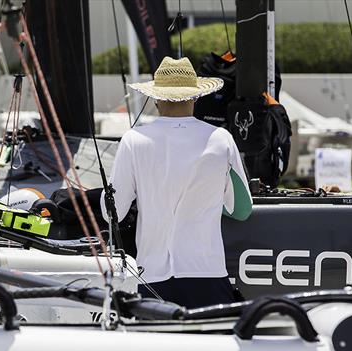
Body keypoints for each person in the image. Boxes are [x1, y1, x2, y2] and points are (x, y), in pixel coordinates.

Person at [103, 56, 253, 308]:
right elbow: (242, 210)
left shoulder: (133, 140)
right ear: (196, 97)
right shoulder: (220, 139)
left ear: (156, 97)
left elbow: (113, 212)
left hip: (153, 275)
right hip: (207, 273)